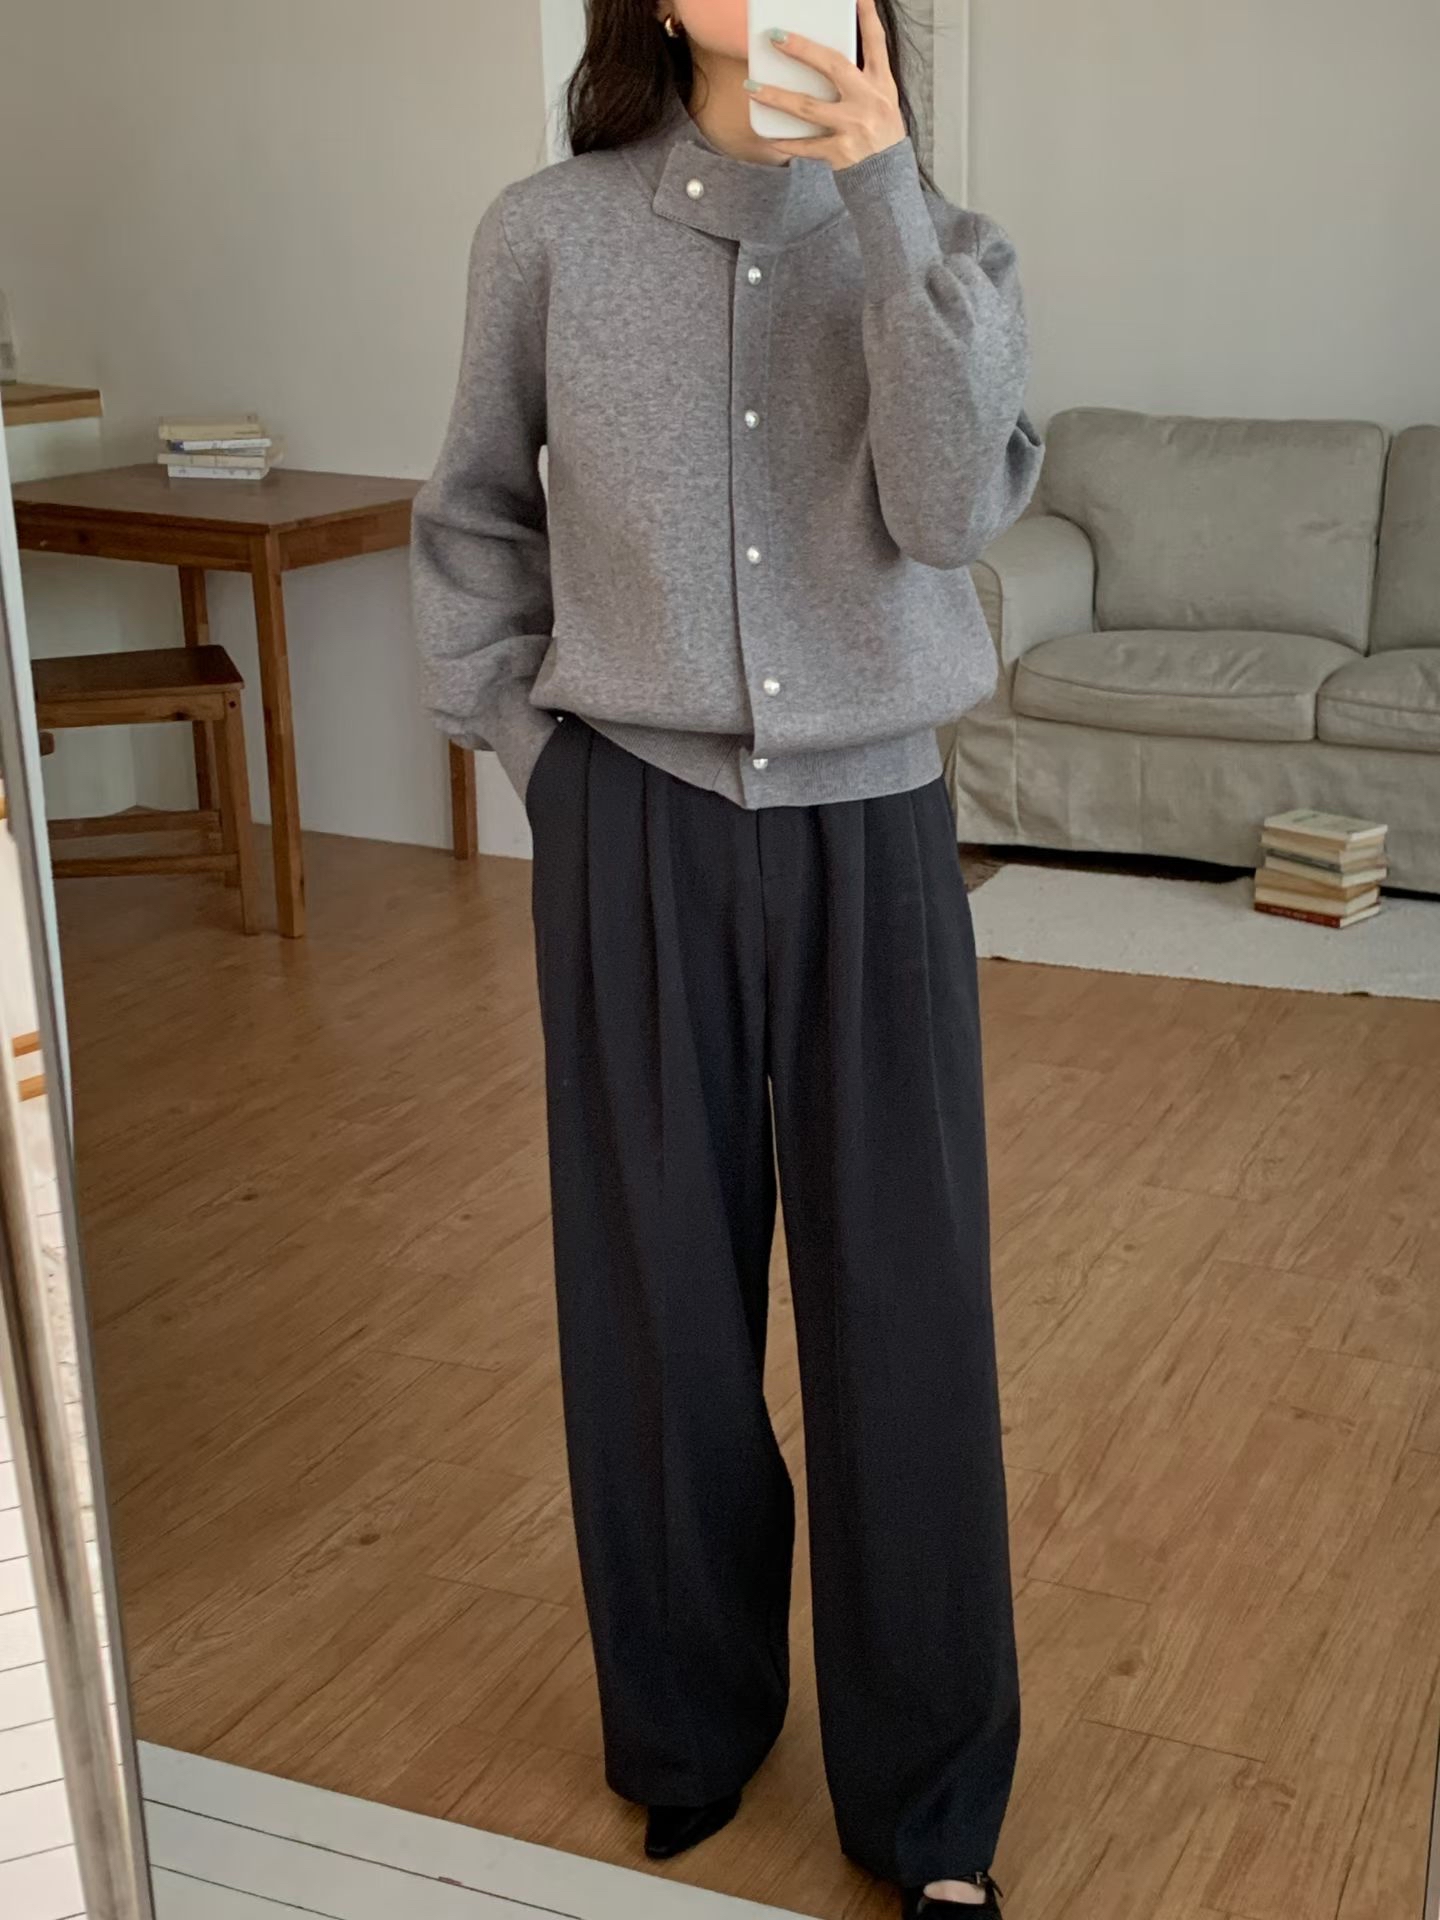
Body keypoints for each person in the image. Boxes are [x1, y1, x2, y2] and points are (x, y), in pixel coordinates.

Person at [410, 2, 1044, 1911]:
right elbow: (473, 516)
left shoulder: (951, 247)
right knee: (654, 1304)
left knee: (907, 1313)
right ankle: (688, 1727)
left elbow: (950, 509)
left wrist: (882, 193)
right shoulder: (547, 232)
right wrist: (540, 753)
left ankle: (930, 1810)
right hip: (633, 819)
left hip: (876, 833)